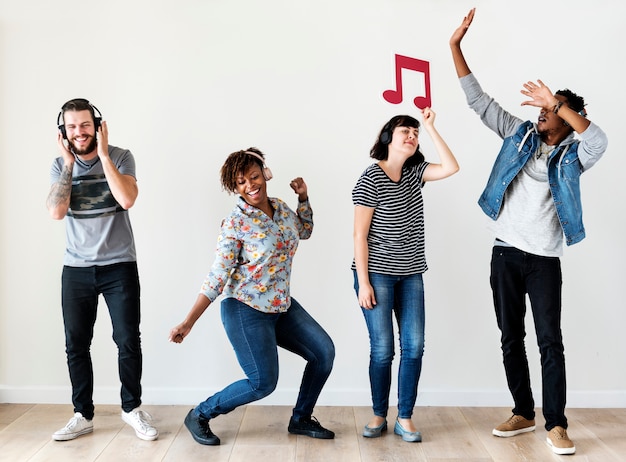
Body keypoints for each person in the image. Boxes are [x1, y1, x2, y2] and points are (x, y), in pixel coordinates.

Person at [450, 8, 608, 456]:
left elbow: (599, 141)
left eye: (549, 109)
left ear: (565, 116)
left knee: (549, 342)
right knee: (509, 336)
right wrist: (455, 47)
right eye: (542, 107)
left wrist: (558, 102)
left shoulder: (573, 156)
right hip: (505, 253)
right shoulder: (518, 135)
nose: (540, 113)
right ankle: (523, 411)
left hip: (543, 260)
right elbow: (479, 102)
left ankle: (556, 425)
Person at [169, 148, 335, 446]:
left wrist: (303, 198)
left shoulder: (282, 208)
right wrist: (188, 321)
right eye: (241, 182)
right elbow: (217, 277)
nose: (250, 185)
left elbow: (305, 231)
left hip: (280, 305)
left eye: (255, 177)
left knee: (323, 352)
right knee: (262, 383)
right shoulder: (235, 223)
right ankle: (199, 414)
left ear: (265, 173)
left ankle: (301, 418)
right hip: (245, 309)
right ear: (234, 187)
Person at [47, 99, 158, 441]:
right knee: (76, 344)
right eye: (71, 127)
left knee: (127, 340)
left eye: (84, 124)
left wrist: (105, 156)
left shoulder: (122, 156)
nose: (79, 132)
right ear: (63, 131)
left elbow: (127, 199)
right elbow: (56, 211)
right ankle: (83, 414)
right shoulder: (58, 165)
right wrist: (68, 165)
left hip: (119, 265)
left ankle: (132, 409)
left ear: (97, 125)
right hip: (76, 268)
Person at [352, 108, 460, 442]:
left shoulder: (415, 173)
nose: (412, 137)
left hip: (411, 273)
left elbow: (451, 167)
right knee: (383, 349)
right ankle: (378, 414)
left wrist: (430, 127)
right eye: (406, 131)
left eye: (415, 133)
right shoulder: (370, 178)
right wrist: (365, 283)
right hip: (377, 275)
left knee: (414, 346)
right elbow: (359, 235)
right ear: (388, 137)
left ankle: (406, 417)